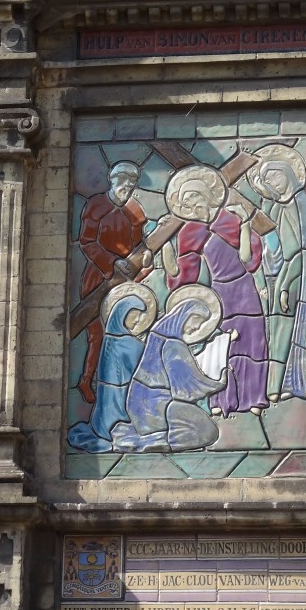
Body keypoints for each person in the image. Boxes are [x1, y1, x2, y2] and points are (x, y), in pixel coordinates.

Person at [162, 166, 268, 417]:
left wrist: (244, 225)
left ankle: (253, 397)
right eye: (187, 203)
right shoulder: (190, 232)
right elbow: (183, 274)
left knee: (252, 339)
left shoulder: (230, 220)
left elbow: (247, 258)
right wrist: (166, 248)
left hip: (243, 288)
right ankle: (222, 400)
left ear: (206, 195)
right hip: (219, 292)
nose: (192, 205)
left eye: (194, 198)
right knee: (221, 345)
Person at [111, 289, 225, 453]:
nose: (197, 327)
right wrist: (217, 383)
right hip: (157, 408)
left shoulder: (156, 336)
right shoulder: (173, 345)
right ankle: (158, 441)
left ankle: (155, 437)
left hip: (137, 405)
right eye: (197, 321)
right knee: (208, 432)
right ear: (184, 316)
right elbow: (188, 389)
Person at [248, 146, 306, 401]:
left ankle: (286, 385)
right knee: (274, 332)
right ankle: (273, 388)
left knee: (288, 331)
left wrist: (286, 283)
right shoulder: (277, 207)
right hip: (275, 275)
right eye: (268, 181)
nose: (273, 183)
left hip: (297, 275)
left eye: (275, 176)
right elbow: (270, 243)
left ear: (288, 173)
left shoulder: (300, 202)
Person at [76, 161, 149, 403]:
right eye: (122, 180)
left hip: (127, 279)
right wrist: (111, 262)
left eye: (132, 182)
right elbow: (87, 242)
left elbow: (139, 244)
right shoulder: (96, 206)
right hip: (98, 276)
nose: (126, 186)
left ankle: (122, 386)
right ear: (111, 179)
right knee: (97, 333)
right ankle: (87, 380)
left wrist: (145, 256)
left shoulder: (135, 211)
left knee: (126, 330)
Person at [67, 285, 155, 453]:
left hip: (106, 401)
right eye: (134, 316)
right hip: (122, 399)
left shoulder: (109, 340)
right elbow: (146, 366)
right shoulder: (128, 343)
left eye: (139, 317)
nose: (137, 321)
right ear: (122, 315)